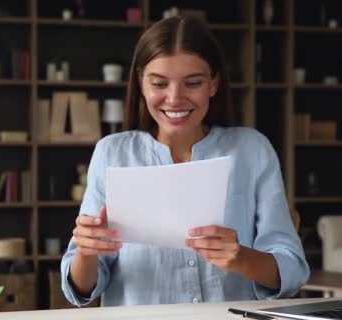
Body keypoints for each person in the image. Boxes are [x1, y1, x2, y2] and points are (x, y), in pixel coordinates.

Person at [61, 15, 309, 306]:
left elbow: (292, 268)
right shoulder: (112, 153)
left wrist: (243, 258)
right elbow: (80, 286)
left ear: (214, 83)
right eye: (159, 83)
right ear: (141, 84)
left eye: (192, 83)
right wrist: (88, 252)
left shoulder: (252, 150)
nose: (175, 98)